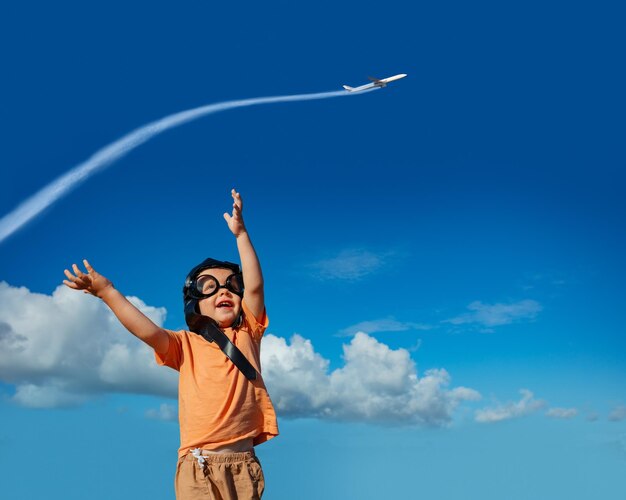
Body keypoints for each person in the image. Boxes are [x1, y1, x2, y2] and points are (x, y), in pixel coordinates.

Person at [63, 189, 279, 500]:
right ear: (195, 304)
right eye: (210, 287)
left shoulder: (248, 331)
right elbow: (147, 331)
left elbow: (256, 286)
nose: (224, 292)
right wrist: (108, 292)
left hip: (244, 464)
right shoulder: (184, 344)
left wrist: (241, 234)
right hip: (199, 464)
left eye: (232, 286)